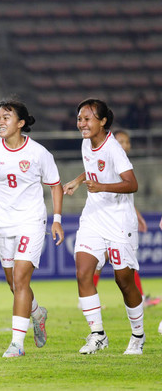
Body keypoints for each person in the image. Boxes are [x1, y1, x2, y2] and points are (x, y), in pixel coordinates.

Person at [0, 98, 63, 358]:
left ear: (20, 123)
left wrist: (57, 219)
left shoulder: (38, 153)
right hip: (1, 225)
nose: (0, 121)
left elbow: (55, 185)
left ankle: (17, 344)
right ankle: (37, 311)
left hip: (30, 221)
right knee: (14, 284)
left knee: (20, 280)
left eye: (6, 117)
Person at [63, 98, 146, 355]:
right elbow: (93, 168)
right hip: (94, 217)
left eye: (87, 119)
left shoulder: (114, 149)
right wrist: (79, 181)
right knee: (83, 272)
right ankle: (98, 334)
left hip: (120, 221)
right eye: (80, 118)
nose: (82, 124)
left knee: (124, 281)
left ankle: (138, 335)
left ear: (102, 121)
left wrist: (102, 187)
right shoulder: (86, 142)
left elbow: (132, 184)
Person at [91, 130, 160, 307]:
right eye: (121, 141)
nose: (125, 145)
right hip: (109, 218)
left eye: (127, 142)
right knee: (113, 260)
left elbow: (124, 194)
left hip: (117, 216)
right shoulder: (110, 159)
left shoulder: (123, 162)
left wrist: (136, 214)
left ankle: (88, 298)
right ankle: (88, 298)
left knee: (114, 260)